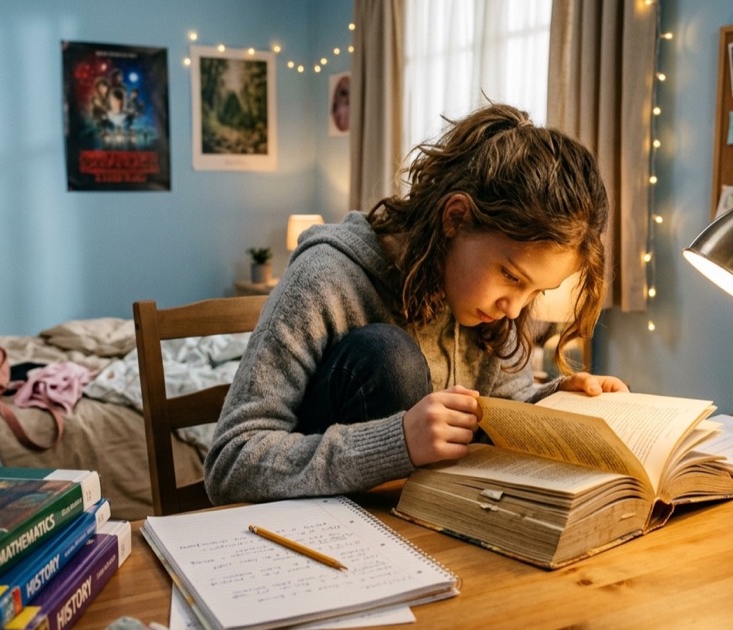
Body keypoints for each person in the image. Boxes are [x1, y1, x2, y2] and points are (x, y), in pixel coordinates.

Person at [204, 104, 627, 505]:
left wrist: (558, 401)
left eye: (536, 291)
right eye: (512, 277)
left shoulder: (491, 310)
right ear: (455, 218)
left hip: (433, 535)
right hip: (321, 536)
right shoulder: (327, 278)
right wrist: (396, 443)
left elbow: (498, 415)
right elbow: (229, 465)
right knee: (390, 357)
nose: (515, 309)